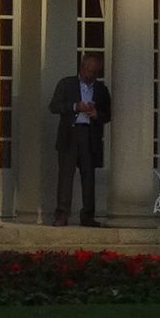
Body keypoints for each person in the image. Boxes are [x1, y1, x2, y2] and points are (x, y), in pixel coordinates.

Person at [47, 51, 113, 228]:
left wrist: (96, 114)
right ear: (81, 67)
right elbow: (54, 106)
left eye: (94, 72)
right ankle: (62, 214)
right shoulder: (66, 84)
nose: (90, 75)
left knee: (89, 176)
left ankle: (88, 215)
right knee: (66, 176)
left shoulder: (101, 90)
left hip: (90, 135)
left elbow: (108, 114)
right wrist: (75, 106)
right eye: (88, 70)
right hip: (70, 133)